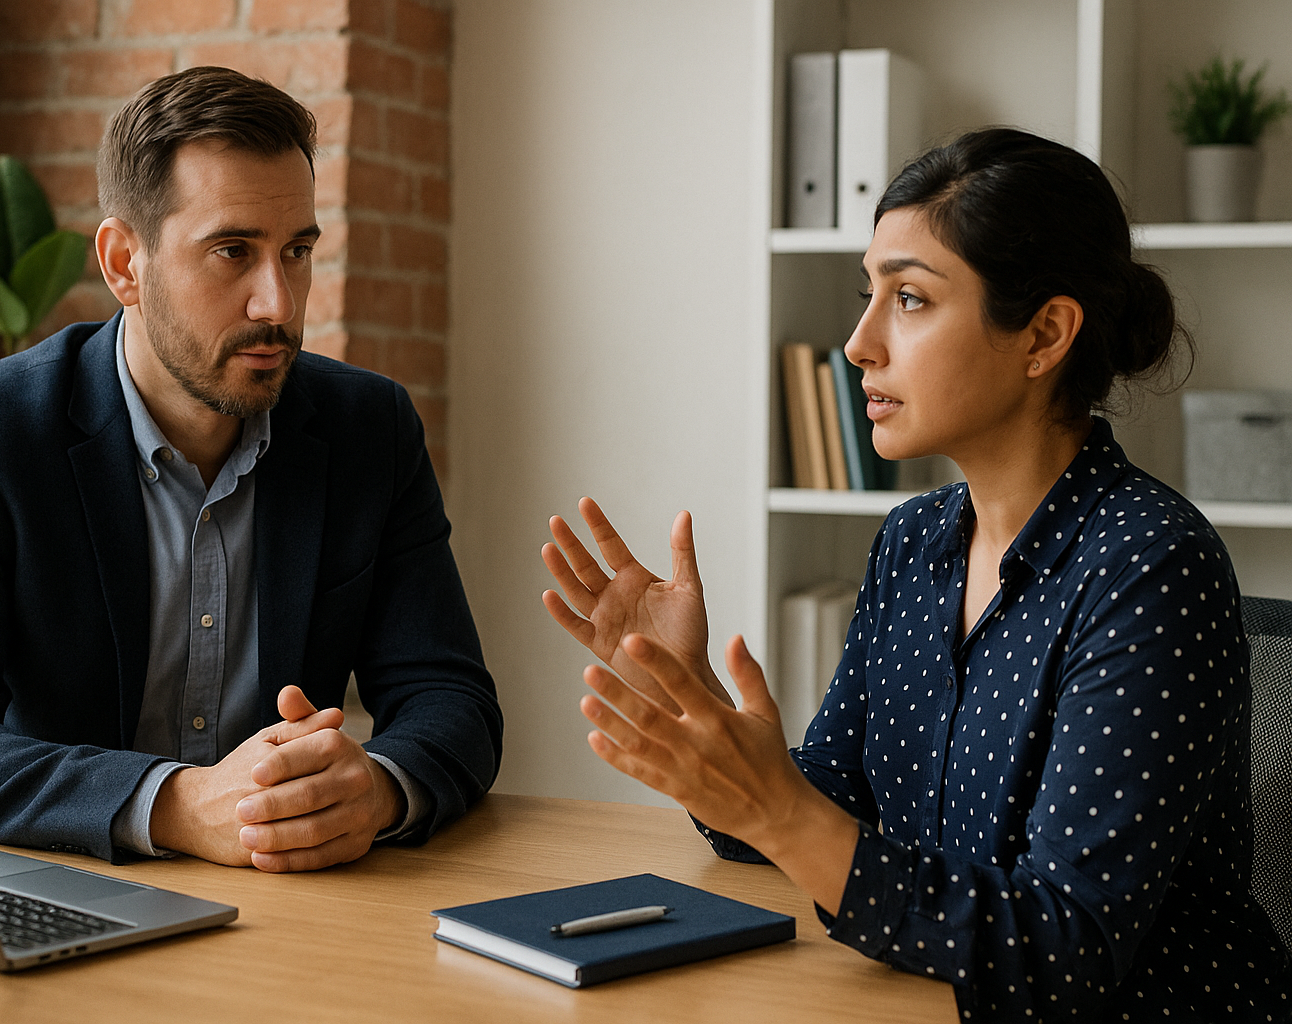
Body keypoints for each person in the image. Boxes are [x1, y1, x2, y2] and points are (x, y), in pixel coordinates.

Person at [542, 128, 1290, 1020]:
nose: (859, 343)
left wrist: (782, 812)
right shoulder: (911, 541)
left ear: (1045, 334)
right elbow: (832, 805)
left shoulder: (1151, 566)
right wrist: (692, 699)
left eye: (909, 298)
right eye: (870, 295)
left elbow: (1068, 952)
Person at [0, 66, 502, 872]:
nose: (277, 301)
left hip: (288, 903)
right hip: (67, 882)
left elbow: (452, 698)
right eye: (232, 252)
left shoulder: (368, 429)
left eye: (297, 251)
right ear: (124, 262)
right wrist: (172, 804)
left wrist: (374, 788)